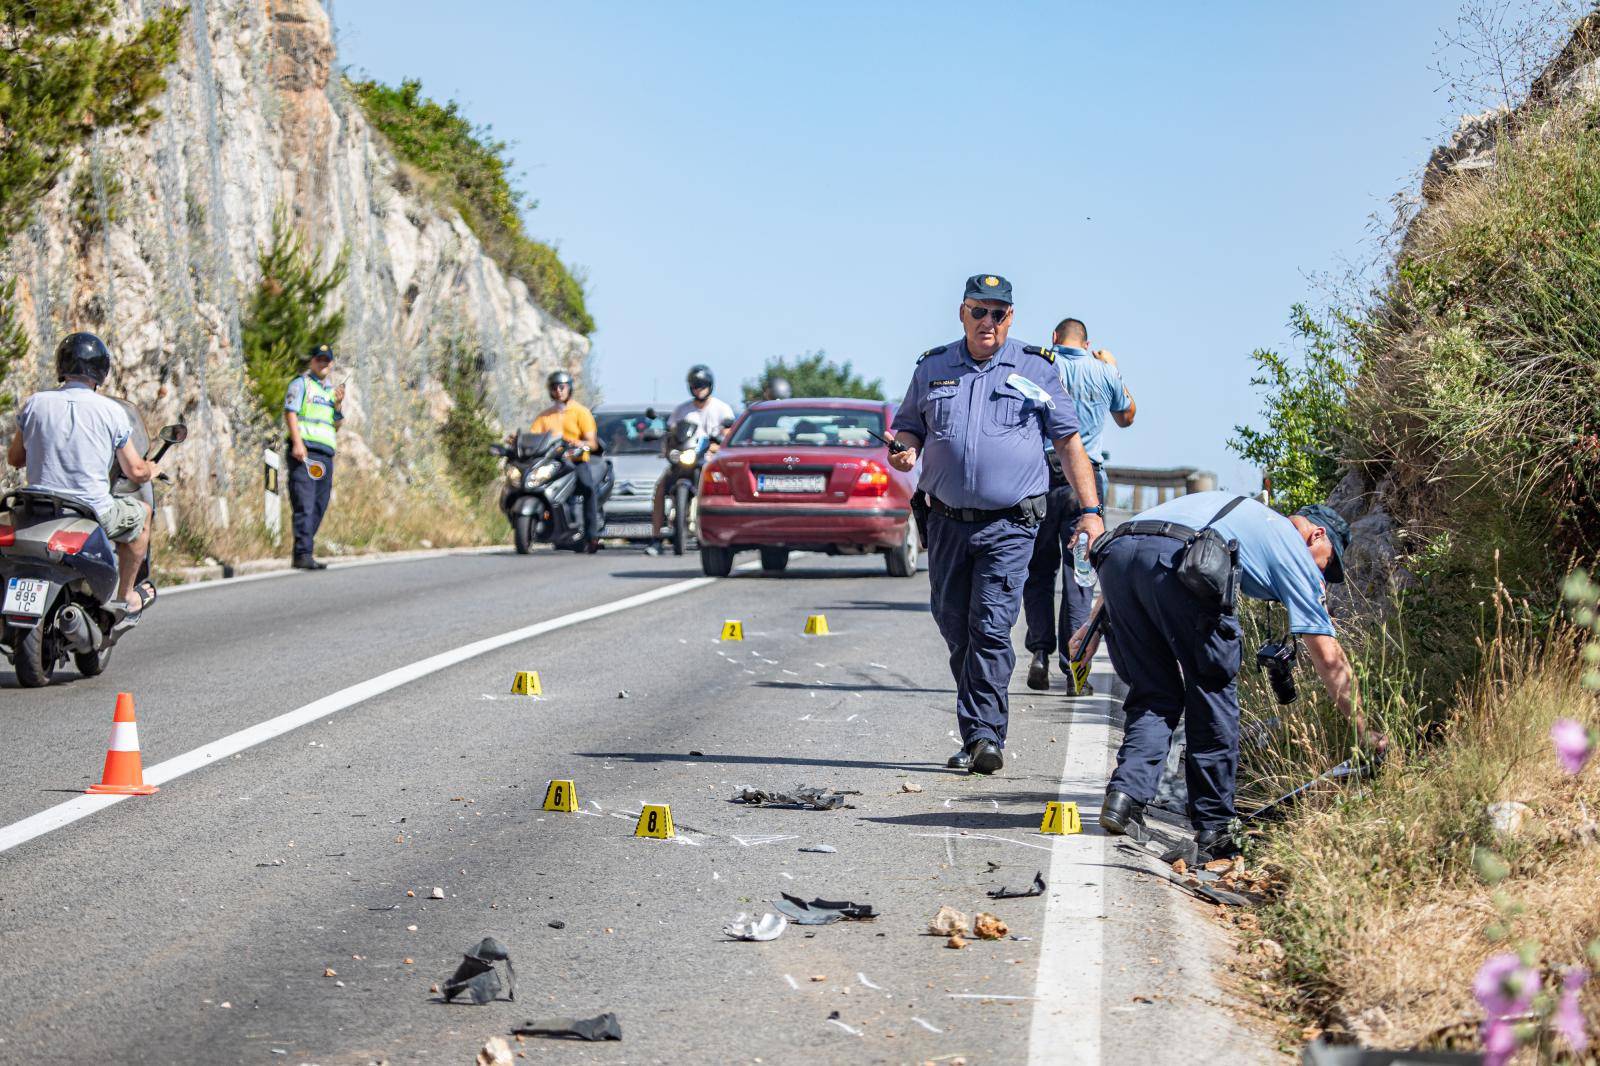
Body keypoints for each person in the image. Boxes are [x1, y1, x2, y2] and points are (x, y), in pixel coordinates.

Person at [888, 274, 1106, 776]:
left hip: (1010, 524)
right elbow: (910, 427)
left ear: (1011, 317)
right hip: (944, 522)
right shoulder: (933, 367)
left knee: (990, 627)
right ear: (961, 313)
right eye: (979, 311)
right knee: (953, 624)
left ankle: (985, 735)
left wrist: (1092, 513)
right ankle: (978, 730)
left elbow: (1069, 443)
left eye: (998, 313)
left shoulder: (1036, 367)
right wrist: (905, 452)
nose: (988, 322)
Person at [1086, 490, 1378, 860]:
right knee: (1213, 690)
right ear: (1317, 535)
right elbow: (1327, 655)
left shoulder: (1245, 514)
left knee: (1154, 691)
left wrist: (1091, 626)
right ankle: (1215, 828)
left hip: (1116, 556)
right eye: (1327, 563)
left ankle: (1124, 799)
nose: (1321, 571)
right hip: (1179, 559)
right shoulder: (1291, 546)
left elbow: (1139, 545)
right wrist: (1365, 728)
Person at [5, 332, 160, 613]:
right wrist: (151, 469)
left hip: (38, 508)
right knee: (143, 514)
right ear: (101, 371)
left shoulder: (35, 403)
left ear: (61, 367)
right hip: (90, 510)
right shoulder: (111, 411)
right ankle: (126, 596)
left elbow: (15, 459)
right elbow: (135, 471)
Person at [1022, 317, 1136, 690]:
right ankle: (1075, 666)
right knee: (1079, 576)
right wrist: (1114, 370)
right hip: (1086, 483)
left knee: (1039, 572)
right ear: (1087, 344)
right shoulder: (1102, 371)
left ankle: (1039, 652)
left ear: (1053, 338)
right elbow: (1127, 417)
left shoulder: (1040, 365)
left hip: (1040, 478)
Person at [646, 364, 735, 554]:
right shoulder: (682, 410)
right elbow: (671, 433)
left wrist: (717, 444)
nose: (699, 389)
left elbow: (728, 435)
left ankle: (724, 533)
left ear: (710, 385)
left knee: (723, 488)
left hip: (709, 461)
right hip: (685, 458)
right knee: (661, 487)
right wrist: (668, 449)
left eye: (702, 385)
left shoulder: (722, 409)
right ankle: (656, 538)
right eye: (695, 385)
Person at [527, 368, 604, 552]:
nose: (559, 391)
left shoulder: (581, 412)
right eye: (555, 387)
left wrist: (579, 444)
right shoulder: (544, 416)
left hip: (576, 460)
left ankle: (592, 535)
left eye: (562, 387)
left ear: (569, 388)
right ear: (550, 391)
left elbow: (592, 443)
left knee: (588, 488)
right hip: (552, 463)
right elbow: (534, 437)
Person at [284, 342, 345, 570]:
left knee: (320, 504)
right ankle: (302, 553)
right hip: (306, 452)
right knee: (305, 503)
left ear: (331, 364)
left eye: (326, 360)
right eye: (319, 359)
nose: (323, 363)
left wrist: (338, 404)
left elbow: (336, 424)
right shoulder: (301, 384)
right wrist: (297, 443)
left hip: (325, 454)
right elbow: (290, 412)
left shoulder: (331, 393)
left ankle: (305, 549)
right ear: (312, 361)